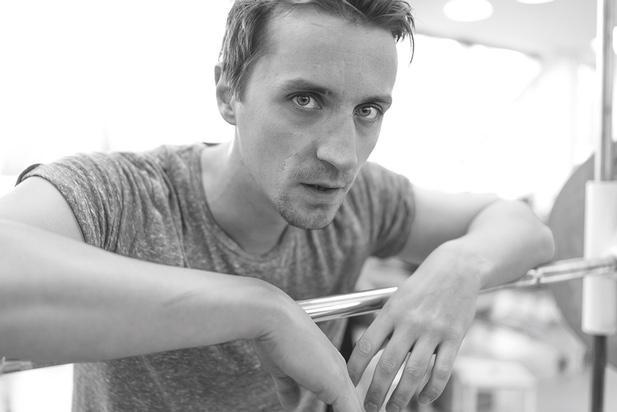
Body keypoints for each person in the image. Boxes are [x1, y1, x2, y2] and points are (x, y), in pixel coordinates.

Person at [0, 0, 555, 411]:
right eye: (305, 100)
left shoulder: (363, 200)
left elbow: (525, 228)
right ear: (228, 93)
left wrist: (458, 268)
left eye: (367, 111)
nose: (342, 155)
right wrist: (261, 309)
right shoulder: (121, 194)